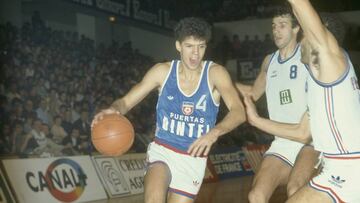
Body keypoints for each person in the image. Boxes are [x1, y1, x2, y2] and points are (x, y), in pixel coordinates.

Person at [92, 17, 245, 203]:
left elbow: (239, 112)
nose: (196, 53)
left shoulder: (216, 73)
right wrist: (113, 109)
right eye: (189, 46)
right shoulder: (162, 71)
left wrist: (214, 133)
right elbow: (126, 102)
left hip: (192, 159)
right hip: (163, 150)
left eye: (201, 46)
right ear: (178, 46)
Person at [243, 0, 360, 202]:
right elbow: (303, 131)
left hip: (349, 168)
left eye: (306, 35)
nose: (302, 42)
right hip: (336, 166)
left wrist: (256, 120)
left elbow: (301, 6)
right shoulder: (321, 83)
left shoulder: (331, 60)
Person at [235, 5, 319, 202]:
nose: (276, 30)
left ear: (296, 28)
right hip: (282, 142)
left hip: (311, 140)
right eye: (274, 26)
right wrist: (222, 82)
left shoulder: (307, 56)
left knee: (295, 189)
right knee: (256, 195)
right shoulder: (269, 61)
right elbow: (253, 93)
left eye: (282, 25)